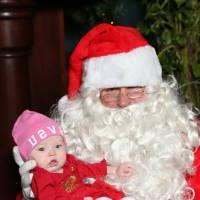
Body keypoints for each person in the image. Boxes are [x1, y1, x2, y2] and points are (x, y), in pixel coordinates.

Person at [13, 23, 200, 200]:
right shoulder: (67, 146)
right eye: (110, 90)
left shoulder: (184, 148)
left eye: (134, 88)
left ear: (155, 92)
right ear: (90, 98)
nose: (123, 101)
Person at [12, 110, 133, 200]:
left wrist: (114, 170)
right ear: (28, 158)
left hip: (88, 193)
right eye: (42, 149)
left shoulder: (69, 161)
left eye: (58, 146)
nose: (52, 153)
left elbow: (88, 168)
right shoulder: (42, 178)